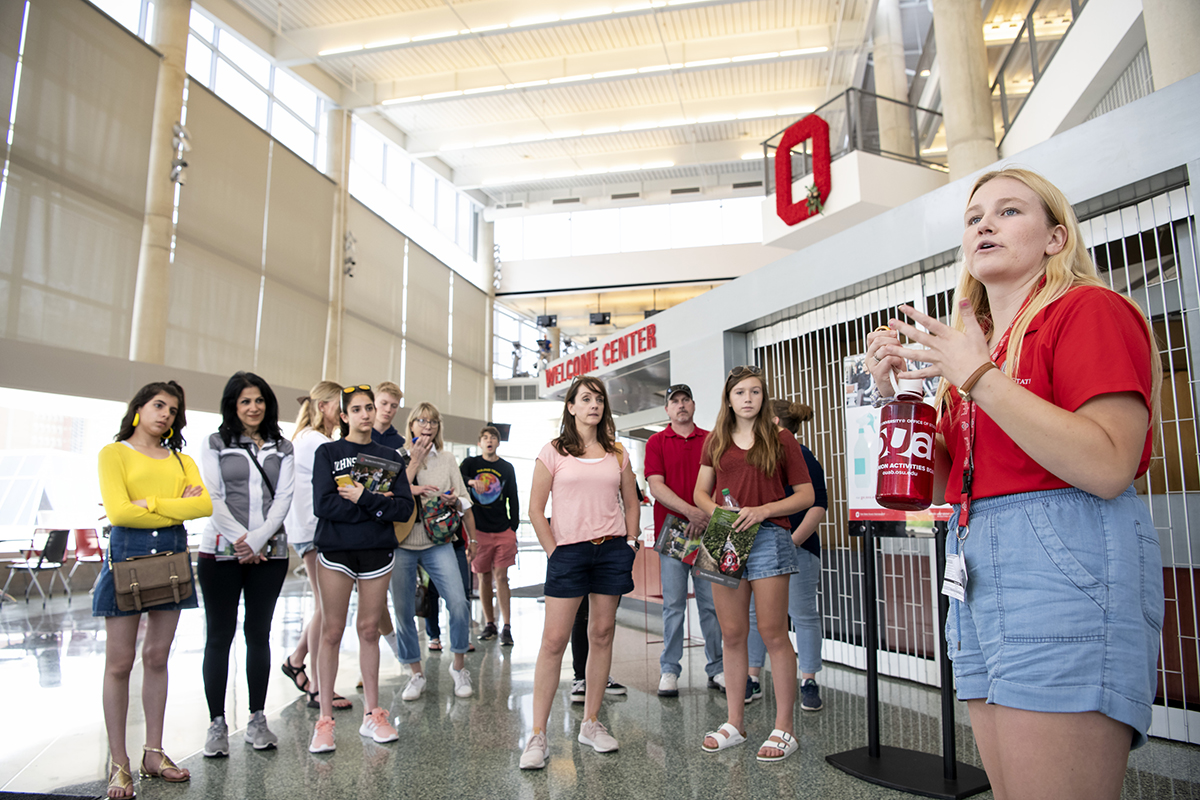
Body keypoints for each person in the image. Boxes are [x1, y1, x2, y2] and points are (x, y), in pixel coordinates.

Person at [867, 167, 1164, 800]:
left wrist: (975, 375)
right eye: (974, 217)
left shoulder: (1087, 310)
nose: (984, 224)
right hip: (973, 552)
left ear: (1056, 239)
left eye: (1008, 212)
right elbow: (941, 484)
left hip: (1063, 548)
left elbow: (1110, 464)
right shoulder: (972, 355)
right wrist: (899, 400)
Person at [95, 381, 212, 798]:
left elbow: (203, 507)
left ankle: (153, 752)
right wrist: (169, 503)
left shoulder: (181, 460)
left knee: (158, 657)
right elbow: (119, 512)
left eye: (173, 409)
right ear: (138, 409)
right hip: (127, 558)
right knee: (120, 663)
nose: (165, 414)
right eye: (158, 405)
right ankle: (118, 762)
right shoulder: (113, 454)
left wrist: (149, 503)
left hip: (173, 561)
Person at [520, 376, 641, 770]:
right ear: (570, 407)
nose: (594, 405)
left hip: (611, 550)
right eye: (585, 399)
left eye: (599, 399)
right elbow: (536, 510)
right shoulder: (553, 451)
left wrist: (632, 540)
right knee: (554, 641)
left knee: (601, 634)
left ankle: (591, 722)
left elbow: (632, 500)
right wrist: (555, 552)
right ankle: (537, 735)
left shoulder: (617, 453)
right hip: (568, 552)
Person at [693, 366, 813, 762]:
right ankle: (734, 723)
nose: (748, 398)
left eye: (755, 392)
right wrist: (719, 516)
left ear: (763, 398)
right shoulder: (716, 440)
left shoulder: (779, 439)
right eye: (740, 392)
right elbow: (699, 493)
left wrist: (762, 511)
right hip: (723, 536)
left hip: (768, 537)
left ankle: (784, 728)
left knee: (774, 632)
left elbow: (805, 495)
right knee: (731, 633)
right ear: (728, 398)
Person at [308, 385, 415, 754]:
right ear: (343, 416)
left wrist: (363, 498)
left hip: (377, 552)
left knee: (369, 629)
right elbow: (323, 505)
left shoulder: (390, 456)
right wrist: (373, 507)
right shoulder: (328, 453)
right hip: (337, 550)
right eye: (357, 409)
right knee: (332, 632)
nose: (366, 414)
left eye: (370, 407)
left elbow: (402, 509)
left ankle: (373, 714)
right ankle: (324, 721)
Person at [198, 372, 294, 756]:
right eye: (245, 402)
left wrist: (257, 540)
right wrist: (243, 539)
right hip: (221, 551)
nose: (253, 408)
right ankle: (217, 724)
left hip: (269, 553)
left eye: (259, 400)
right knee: (219, 636)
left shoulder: (282, 446)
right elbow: (212, 496)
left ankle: (257, 718)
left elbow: (284, 498)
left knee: (259, 634)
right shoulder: (216, 443)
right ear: (233, 406)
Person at [390, 402, 476, 700]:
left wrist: (455, 502)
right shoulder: (397, 457)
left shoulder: (448, 459)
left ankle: (459, 666)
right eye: (421, 420)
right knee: (403, 611)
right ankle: (415, 673)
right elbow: (388, 494)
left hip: (437, 541)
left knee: (459, 602)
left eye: (433, 422)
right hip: (402, 542)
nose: (428, 426)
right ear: (411, 425)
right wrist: (413, 465)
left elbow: (465, 499)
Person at [746, 399, 827, 711]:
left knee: (802, 615)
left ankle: (808, 680)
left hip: (799, 549)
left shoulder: (802, 455)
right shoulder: (760, 457)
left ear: (775, 421)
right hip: (760, 552)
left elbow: (817, 505)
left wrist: (790, 542)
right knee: (755, 616)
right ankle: (752, 676)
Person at [645, 383, 725, 697]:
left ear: (693, 405)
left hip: (707, 532)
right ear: (667, 409)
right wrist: (692, 512)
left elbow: (721, 482)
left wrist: (704, 515)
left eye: (685, 400)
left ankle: (716, 668)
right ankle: (669, 670)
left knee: (711, 605)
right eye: (674, 402)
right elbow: (656, 486)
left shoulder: (712, 440)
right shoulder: (656, 441)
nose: (680, 406)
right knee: (674, 605)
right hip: (673, 533)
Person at [280, 381, 354, 713]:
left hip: (311, 529)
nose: (344, 411)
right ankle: (317, 688)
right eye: (341, 405)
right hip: (314, 530)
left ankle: (296, 660)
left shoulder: (309, 439)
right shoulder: (316, 442)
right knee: (326, 607)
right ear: (324, 406)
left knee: (324, 606)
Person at [460, 426, 520, 646]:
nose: (489, 441)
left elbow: (513, 497)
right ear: (479, 443)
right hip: (479, 531)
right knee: (484, 577)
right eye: (485, 437)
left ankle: (507, 627)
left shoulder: (506, 468)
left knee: (502, 577)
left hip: (503, 529)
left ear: (498, 443)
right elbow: (457, 475)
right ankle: (490, 624)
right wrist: (471, 482)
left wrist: (513, 527)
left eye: (493, 437)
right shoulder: (471, 464)